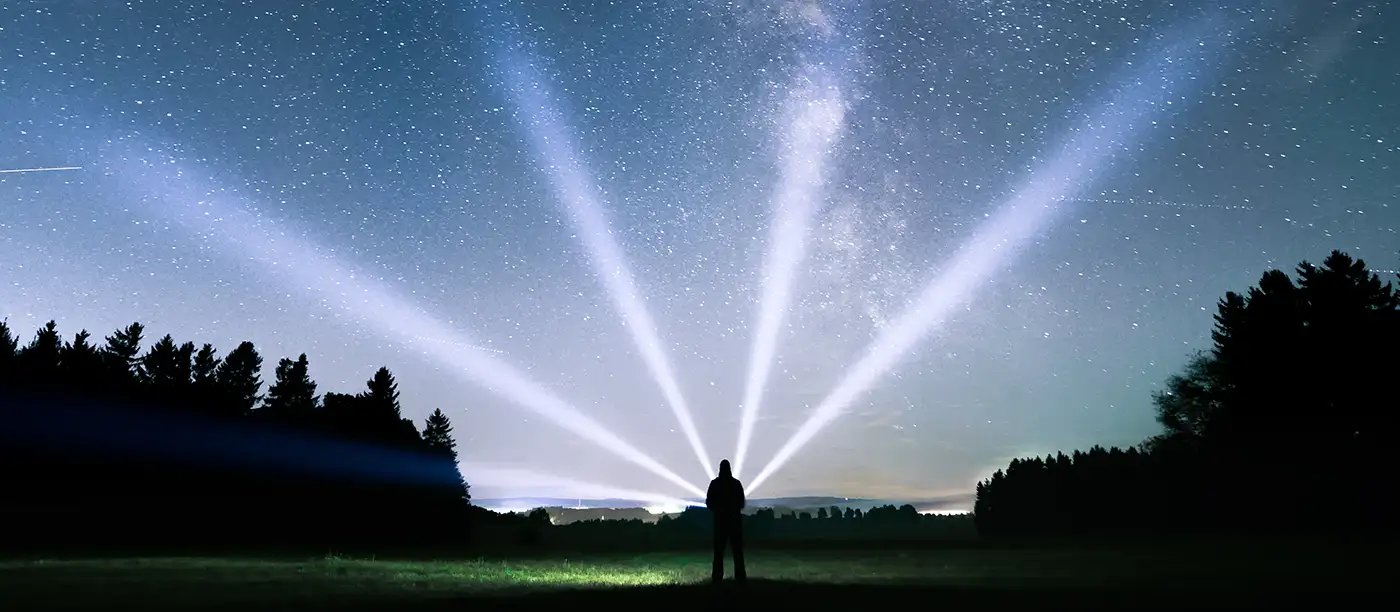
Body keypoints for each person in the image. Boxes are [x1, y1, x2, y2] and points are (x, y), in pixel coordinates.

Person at [705, 459, 746, 584]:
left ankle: (717, 578)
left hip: (720, 522)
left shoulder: (715, 484)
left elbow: (709, 502)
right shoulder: (736, 484)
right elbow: (741, 502)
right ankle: (740, 578)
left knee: (719, 552)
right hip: (734, 522)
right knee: (737, 551)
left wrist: (718, 511)